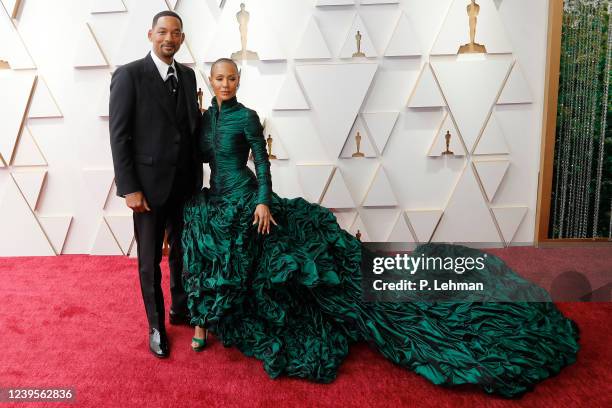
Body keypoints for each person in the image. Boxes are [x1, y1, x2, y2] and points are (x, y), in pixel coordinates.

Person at [181, 58, 580, 397]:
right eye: (220, 78)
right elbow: (202, 158)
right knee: (203, 245)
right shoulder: (206, 120)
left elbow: (262, 162)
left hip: (249, 200)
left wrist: (264, 200)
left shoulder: (247, 116)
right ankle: (202, 325)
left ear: (239, 80)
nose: (227, 83)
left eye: (232, 77)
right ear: (210, 81)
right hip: (216, 202)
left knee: (295, 266)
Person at [109, 11, 203, 358]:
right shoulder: (129, 75)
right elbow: (119, 137)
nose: (169, 38)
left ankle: (181, 308)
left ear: (182, 38)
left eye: (176, 33)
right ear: (150, 34)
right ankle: (155, 325)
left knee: (182, 253)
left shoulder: (190, 76)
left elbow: (190, 129)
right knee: (150, 260)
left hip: (184, 185)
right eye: (162, 31)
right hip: (147, 188)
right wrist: (129, 187)